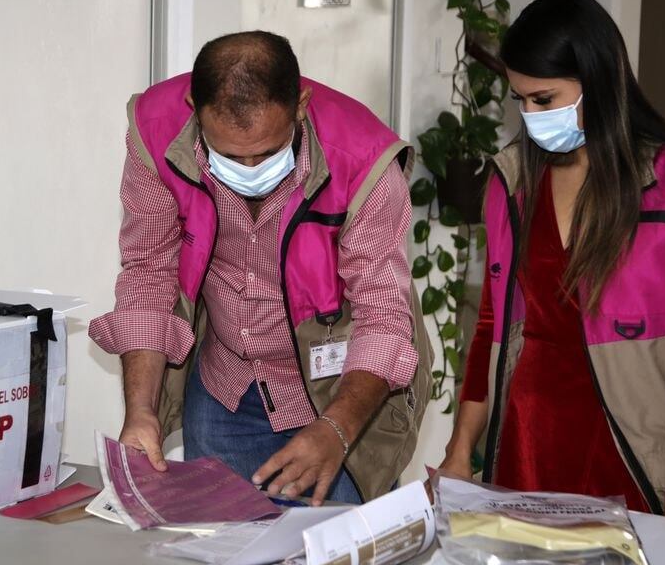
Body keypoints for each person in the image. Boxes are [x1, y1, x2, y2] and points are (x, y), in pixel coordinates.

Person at [438, 0, 665, 524]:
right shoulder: (512, 183)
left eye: (545, 98)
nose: (530, 116)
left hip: (632, 451)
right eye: (520, 100)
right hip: (526, 448)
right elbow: (490, 325)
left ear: (599, 82)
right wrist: (460, 450)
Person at [89, 31, 433, 505]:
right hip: (223, 390)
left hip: (336, 395)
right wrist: (142, 410)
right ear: (194, 107)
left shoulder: (364, 161)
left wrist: (336, 429)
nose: (250, 170)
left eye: (269, 153)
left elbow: (384, 322)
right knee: (215, 556)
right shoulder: (156, 131)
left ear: (301, 105)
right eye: (229, 156)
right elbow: (148, 273)